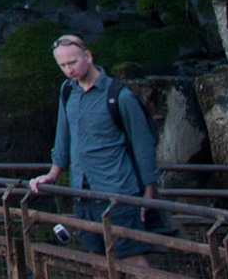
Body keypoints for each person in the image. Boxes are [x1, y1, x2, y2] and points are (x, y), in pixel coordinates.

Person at [28, 34, 160, 256]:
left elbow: (143, 144)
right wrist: (53, 173)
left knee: (131, 257)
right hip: (83, 193)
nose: (68, 70)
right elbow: (63, 134)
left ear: (88, 56)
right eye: (62, 65)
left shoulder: (119, 96)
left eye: (73, 62)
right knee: (95, 257)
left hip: (118, 193)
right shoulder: (67, 90)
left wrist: (149, 193)